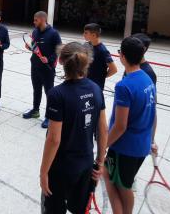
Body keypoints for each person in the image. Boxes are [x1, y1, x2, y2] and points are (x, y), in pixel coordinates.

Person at [39, 42, 108, 214]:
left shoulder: (57, 94)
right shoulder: (96, 89)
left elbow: (54, 139)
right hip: (85, 165)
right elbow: (103, 129)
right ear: (87, 62)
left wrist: (43, 172)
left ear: (61, 61)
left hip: (61, 168)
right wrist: (99, 162)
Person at [104, 37, 156, 214]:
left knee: (120, 185)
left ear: (122, 56)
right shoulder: (148, 79)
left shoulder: (124, 86)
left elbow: (120, 125)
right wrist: (152, 140)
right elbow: (153, 113)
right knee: (123, 182)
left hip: (125, 148)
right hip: (141, 145)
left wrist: (105, 144)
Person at [22, 11, 62, 129]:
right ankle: (35, 111)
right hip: (35, 66)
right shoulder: (35, 32)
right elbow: (36, 48)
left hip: (47, 69)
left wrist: (49, 59)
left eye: (36, 20)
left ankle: (49, 116)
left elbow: (59, 50)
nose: (34, 22)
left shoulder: (54, 33)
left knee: (49, 93)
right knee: (36, 89)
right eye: (34, 20)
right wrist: (30, 48)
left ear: (43, 20)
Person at [83, 23, 117, 96]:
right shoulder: (86, 45)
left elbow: (114, 69)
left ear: (94, 35)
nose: (83, 34)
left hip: (96, 87)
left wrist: (101, 77)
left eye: (86, 33)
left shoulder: (103, 51)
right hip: (85, 83)